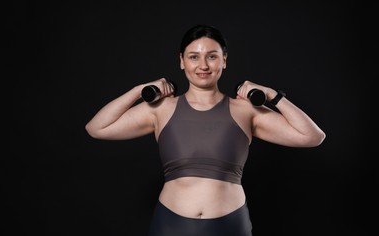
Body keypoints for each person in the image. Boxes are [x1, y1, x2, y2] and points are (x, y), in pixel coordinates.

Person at [85, 24, 326, 236]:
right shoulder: (161, 109)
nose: (203, 65)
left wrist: (272, 96)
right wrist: (139, 90)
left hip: (231, 226)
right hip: (171, 225)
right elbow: (96, 128)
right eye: (193, 57)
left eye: (212, 56)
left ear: (224, 60)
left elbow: (313, 136)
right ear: (181, 61)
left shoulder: (245, 111)